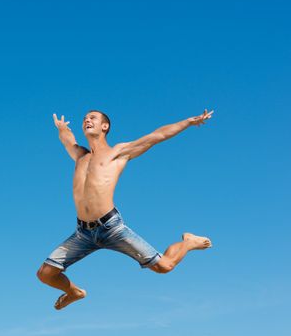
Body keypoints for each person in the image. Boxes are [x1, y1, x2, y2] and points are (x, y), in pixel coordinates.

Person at [37, 109, 214, 310]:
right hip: (83, 233)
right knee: (45, 273)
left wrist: (189, 122)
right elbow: (67, 139)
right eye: (85, 118)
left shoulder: (118, 153)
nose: (87, 120)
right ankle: (74, 292)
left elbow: (157, 136)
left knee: (164, 266)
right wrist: (62, 128)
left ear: (105, 126)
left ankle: (188, 242)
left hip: (111, 227)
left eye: (92, 118)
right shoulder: (80, 156)